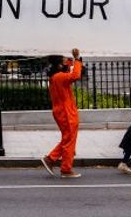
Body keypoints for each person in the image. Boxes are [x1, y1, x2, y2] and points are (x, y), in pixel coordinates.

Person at [40, 48, 84, 178]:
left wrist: (73, 61)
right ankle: (60, 165)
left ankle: (54, 160)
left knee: (67, 139)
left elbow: (69, 68)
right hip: (66, 112)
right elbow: (76, 75)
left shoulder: (55, 77)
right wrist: (76, 59)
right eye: (63, 60)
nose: (66, 61)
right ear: (59, 64)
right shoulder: (60, 77)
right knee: (69, 139)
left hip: (61, 111)